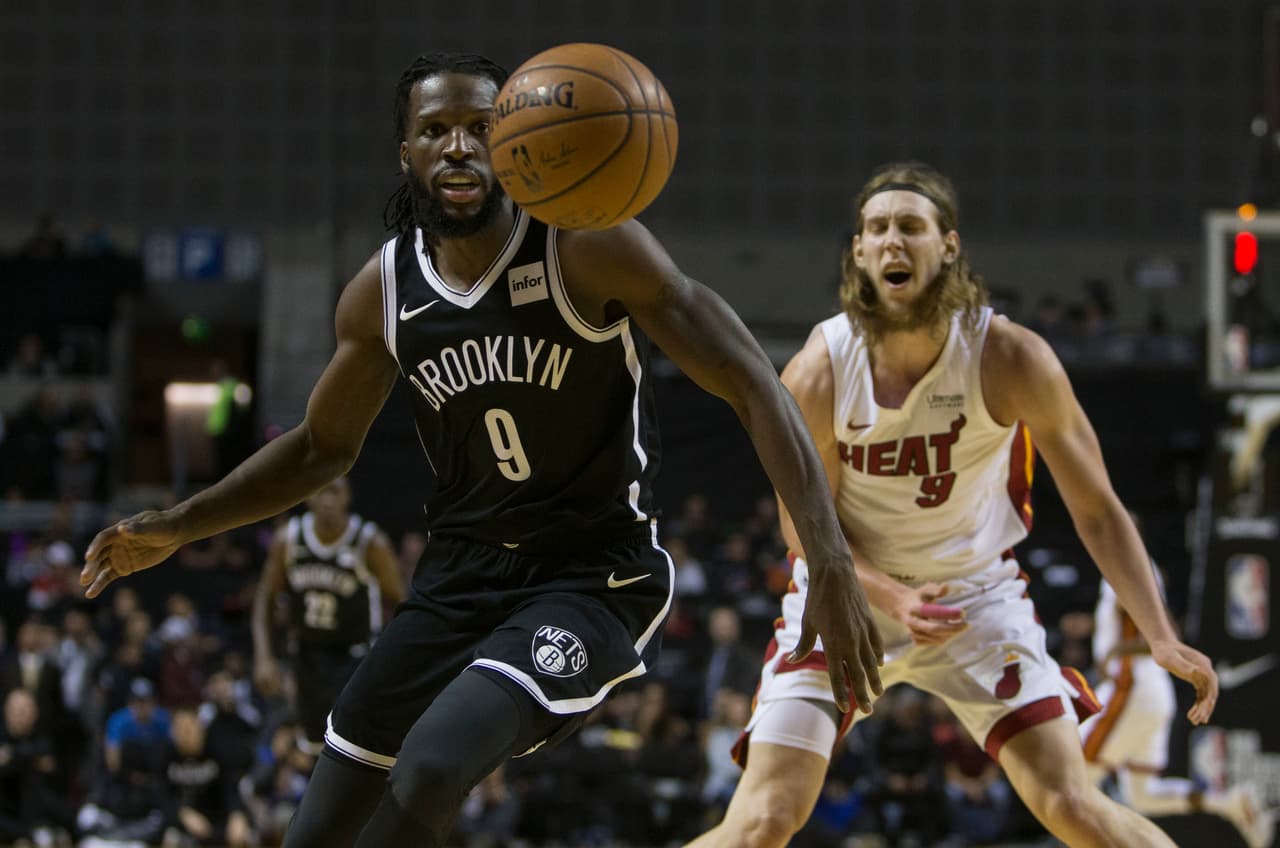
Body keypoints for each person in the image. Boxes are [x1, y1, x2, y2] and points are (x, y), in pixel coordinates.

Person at [80, 51, 883, 847]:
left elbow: (753, 382)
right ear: (408, 154)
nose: (459, 145)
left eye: (480, 127)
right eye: (436, 129)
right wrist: (179, 524)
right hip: (458, 576)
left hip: (591, 575)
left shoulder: (585, 246)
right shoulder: (384, 291)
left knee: (432, 764)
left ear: (517, 142)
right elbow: (320, 450)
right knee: (318, 827)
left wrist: (829, 558)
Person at [687, 161, 1218, 848]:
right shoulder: (820, 368)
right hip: (849, 599)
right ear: (857, 253)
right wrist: (890, 599)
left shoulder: (1009, 357)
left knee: (1073, 805)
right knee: (761, 821)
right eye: (875, 229)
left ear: (949, 246)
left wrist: (1161, 633)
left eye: (911, 227)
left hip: (975, 597)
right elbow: (801, 523)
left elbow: (1098, 507)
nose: (891, 242)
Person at [1082, 563, 1274, 847]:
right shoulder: (1141, 566)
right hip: (1151, 692)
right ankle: (1229, 804)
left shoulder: (1124, 566)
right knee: (1143, 796)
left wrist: (1114, 651)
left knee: (1072, 775)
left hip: (1133, 690)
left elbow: (1166, 633)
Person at [252, 476, 404, 754]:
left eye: (335, 492)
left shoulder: (370, 542)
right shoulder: (288, 539)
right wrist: (264, 656)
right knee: (313, 745)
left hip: (355, 654)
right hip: (307, 654)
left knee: (353, 743)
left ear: (348, 496)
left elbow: (400, 602)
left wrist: (391, 657)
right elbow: (265, 599)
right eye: (321, 491)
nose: (328, 500)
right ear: (308, 496)